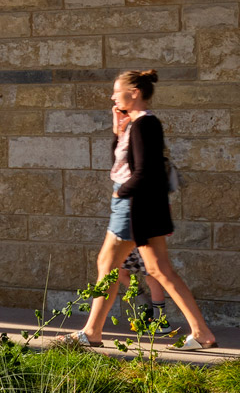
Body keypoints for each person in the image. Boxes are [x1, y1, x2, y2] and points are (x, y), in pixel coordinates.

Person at [74, 69, 217, 350]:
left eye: (117, 90)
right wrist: (118, 130)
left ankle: (91, 332)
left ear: (134, 93)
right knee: (159, 270)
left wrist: (120, 192)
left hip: (132, 206)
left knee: (108, 265)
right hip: (140, 207)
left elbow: (144, 173)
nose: (113, 96)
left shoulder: (145, 125)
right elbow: (122, 161)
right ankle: (202, 333)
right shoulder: (135, 124)